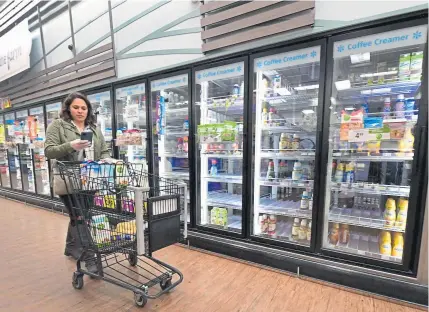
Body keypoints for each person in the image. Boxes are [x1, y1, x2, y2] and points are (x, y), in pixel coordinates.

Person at [45, 92, 110, 273]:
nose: (80, 111)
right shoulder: (58, 126)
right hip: (68, 178)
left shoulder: (94, 128)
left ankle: (70, 246)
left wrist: (107, 160)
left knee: (81, 215)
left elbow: (103, 151)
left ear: (88, 110)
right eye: (76, 107)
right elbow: (49, 151)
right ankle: (89, 258)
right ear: (68, 108)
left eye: (84, 108)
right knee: (80, 216)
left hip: (90, 178)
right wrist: (71, 145)